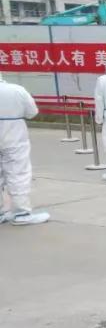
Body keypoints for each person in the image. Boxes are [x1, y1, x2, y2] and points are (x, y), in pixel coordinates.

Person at [0, 72, 48, 226]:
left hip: (12, 132)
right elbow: (32, 112)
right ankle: (21, 213)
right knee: (18, 172)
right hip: (13, 133)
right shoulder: (16, 90)